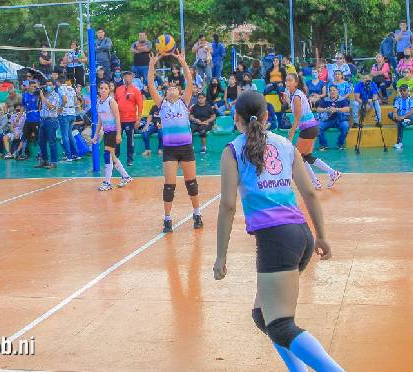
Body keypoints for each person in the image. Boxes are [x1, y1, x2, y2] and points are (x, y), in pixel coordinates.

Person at [213, 90, 341, 372]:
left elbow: (228, 206)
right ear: (266, 116)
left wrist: (221, 255)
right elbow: (309, 192)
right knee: (263, 316)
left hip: (276, 240)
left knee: (281, 325)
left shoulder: (232, 151)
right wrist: (321, 236)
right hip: (301, 236)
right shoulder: (285, 145)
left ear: (236, 119)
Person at [147, 51, 201, 232]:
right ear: (165, 93)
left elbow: (189, 81)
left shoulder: (184, 103)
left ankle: (197, 214)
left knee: (191, 183)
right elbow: (150, 85)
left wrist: (183, 62)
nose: (171, 88)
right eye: (169, 88)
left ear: (179, 93)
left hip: (186, 148)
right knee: (169, 186)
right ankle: (167, 219)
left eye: (175, 88)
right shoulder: (162, 104)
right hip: (170, 149)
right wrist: (152, 65)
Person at [283, 73, 341, 190]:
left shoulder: (297, 96)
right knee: (307, 157)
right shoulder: (297, 95)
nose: (287, 83)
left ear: (296, 83)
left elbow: (297, 117)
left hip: (308, 128)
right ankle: (330, 174)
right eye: (286, 81)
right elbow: (297, 112)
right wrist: (288, 101)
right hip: (312, 127)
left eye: (290, 80)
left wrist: (291, 134)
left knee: (298, 157)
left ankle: (317, 181)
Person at [93, 81, 132, 191]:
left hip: (113, 132)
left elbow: (118, 118)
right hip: (106, 132)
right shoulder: (98, 103)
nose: (103, 90)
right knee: (113, 156)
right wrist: (96, 134)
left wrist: (118, 134)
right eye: (101, 88)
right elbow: (100, 121)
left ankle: (107, 182)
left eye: (106, 88)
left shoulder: (111, 101)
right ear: (98, 90)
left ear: (109, 90)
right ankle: (126, 176)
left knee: (107, 155)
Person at [115, 71, 143, 167]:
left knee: (130, 141)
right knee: (117, 139)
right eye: (125, 76)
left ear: (132, 78)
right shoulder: (118, 89)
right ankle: (115, 159)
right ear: (123, 78)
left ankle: (130, 159)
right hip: (119, 120)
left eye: (129, 76)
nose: (127, 78)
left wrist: (138, 119)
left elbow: (140, 105)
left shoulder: (136, 90)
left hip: (130, 120)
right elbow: (115, 103)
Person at [35, 80, 61, 169]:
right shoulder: (45, 95)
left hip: (51, 120)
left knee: (52, 142)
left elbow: (51, 107)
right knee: (41, 142)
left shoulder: (56, 96)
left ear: (54, 86)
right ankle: (44, 160)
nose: (48, 87)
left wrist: (42, 97)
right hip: (43, 120)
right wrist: (40, 97)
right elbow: (39, 108)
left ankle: (54, 162)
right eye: (47, 85)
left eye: (50, 85)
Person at [316, 86, 351, 152]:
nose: (332, 92)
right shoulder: (325, 100)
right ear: (329, 92)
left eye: (334, 90)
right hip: (328, 121)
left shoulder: (342, 99)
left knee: (345, 126)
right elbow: (318, 109)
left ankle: (340, 144)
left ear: (338, 91)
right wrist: (327, 109)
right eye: (331, 90)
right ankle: (323, 144)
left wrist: (336, 109)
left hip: (340, 120)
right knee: (318, 127)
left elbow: (347, 109)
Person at [389, 84, 413, 150]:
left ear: (408, 91)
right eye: (401, 90)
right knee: (390, 114)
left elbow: (412, 111)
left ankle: (399, 142)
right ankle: (402, 122)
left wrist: (402, 117)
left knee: (401, 123)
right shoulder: (398, 99)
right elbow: (395, 108)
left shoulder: (412, 99)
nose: (402, 92)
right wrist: (395, 114)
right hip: (401, 118)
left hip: (411, 118)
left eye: (404, 90)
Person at [57, 78, 79, 161]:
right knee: (70, 134)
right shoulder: (71, 88)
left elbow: (64, 100)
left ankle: (68, 156)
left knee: (65, 135)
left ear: (58, 82)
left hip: (65, 114)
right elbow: (76, 102)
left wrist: (61, 108)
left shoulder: (61, 88)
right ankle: (76, 154)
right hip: (72, 113)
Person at [20, 81, 41, 161]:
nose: (34, 88)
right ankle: (23, 153)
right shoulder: (25, 95)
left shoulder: (38, 95)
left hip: (37, 119)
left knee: (38, 137)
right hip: (28, 119)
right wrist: (19, 116)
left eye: (35, 86)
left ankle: (40, 154)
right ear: (29, 86)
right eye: (32, 86)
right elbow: (23, 106)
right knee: (24, 137)